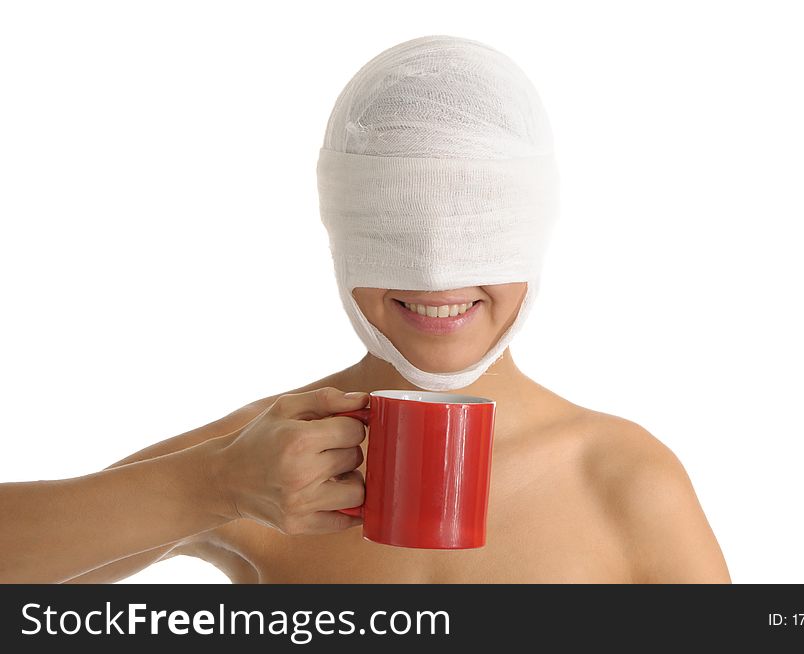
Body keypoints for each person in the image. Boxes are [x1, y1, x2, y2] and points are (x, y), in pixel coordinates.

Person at [1, 35, 731, 584]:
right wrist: (211, 484)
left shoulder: (622, 477)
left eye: (477, 219)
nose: (441, 272)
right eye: (398, 222)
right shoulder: (257, 461)